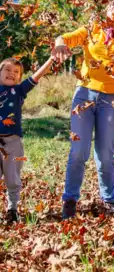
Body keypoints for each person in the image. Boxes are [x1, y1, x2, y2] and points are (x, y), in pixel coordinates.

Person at [53, 0, 114, 219]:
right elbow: (64, 37)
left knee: (104, 154)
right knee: (78, 151)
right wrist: (60, 44)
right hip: (84, 94)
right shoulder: (93, 29)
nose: (113, 7)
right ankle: (70, 200)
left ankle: (109, 201)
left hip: (113, 99)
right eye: (112, 4)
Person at [0, 56, 54, 223]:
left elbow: (35, 77)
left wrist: (51, 59)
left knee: (12, 177)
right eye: (7, 70)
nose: (11, 73)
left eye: (16, 72)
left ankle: (12, 209)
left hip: (14, 142)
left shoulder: (19, 91)